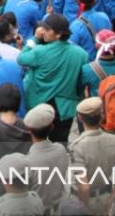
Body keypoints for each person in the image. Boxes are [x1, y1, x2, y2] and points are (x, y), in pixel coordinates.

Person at [15, 12, 87, 142]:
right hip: (65, 107)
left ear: (58, 34)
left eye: (47, 30)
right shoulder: (82, 54)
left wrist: (34, 39)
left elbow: (21, 58)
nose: (43, 32)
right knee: (60, 142)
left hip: (39, 103)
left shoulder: (39, 51)